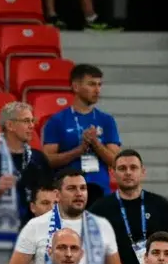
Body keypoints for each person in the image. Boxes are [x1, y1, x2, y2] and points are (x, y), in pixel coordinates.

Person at [9, 171, 122, 264]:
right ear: (57, 195)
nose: (79, 193)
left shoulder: (102, 225)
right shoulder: (36, 225)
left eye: (83, 188)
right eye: (71, 188)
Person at [88, 150, 168, 264]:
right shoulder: (99, 209)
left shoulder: (160, 204)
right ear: (112, 173)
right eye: (122, 168)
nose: (128, 172)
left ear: (143, 172)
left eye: (133, 167)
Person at [0, 101, 53, 246]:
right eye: (26, 121)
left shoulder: (39, 159)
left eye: (32, 121)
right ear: (10, 125)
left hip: (35, 238)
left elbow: (52, 199)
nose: (32, 125)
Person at [41, 64, 121, 203]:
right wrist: (78, 151)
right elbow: (47, 160)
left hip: (100, 191)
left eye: (99, 85)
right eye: (91, 84)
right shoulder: (57, 120)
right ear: (76, 87)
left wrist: (96, 144)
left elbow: (116, 161)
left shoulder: (106, 120)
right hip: (69, 193)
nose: (97, 90)